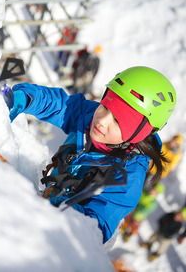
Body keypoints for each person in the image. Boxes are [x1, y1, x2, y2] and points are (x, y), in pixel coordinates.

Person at [9, 66, 176, 244]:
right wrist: (26, 98)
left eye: (118, 121)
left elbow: (98, 226)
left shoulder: (127, 178)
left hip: (60, 236)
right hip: (43, 201)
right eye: (105, 107)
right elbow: (61, 105)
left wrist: (66, 209)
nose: (102, 121)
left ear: (138, 134)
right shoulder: (89, 115)